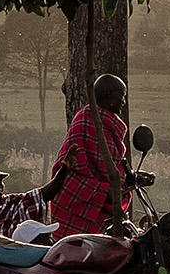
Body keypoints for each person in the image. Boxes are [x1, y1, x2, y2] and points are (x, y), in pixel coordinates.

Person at [42, 75, 135, 238]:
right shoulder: (86, 121)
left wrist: (132, 179)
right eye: (122, 95)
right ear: (111, 94)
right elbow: (68, 174)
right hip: (77, 204)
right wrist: (104, 191)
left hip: (102, 206)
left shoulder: (109, 125)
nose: (123, 102)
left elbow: (113, 172)